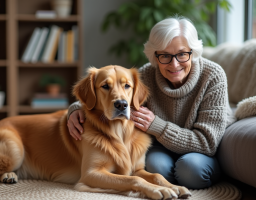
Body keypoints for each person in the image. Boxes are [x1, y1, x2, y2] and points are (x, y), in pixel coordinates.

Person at [66, 16, 236, 189]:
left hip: (201, 152)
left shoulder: (213, 76)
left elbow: (207, 144)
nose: (174, 64)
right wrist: (74, 110)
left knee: (190, 170)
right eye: (165, 55)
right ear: (155, 56)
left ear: (193, 51)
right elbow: (116, 100)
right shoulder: (146, 76)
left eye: (182, 54)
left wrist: (157, 126)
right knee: (155, 166)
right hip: (162, 148)